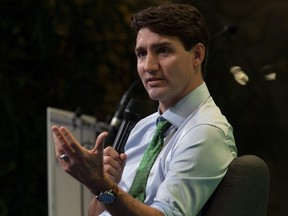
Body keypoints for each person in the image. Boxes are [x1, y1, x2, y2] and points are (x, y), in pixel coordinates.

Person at [52, 3, 237, 216]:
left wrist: (100, 185)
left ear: (197, 55)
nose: (148, 66)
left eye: (163, 50)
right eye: (141, 53)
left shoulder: (206, 131)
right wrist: (105, 184)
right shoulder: (143, 127)